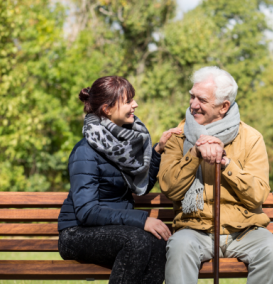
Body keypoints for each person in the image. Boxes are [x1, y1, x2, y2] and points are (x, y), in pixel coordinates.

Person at [158, 66, 273, 284]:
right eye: (191, 96)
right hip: (195, 229)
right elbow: (170, 189)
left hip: (244, 231)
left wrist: (226, 163)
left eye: (201, 99)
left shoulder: (251, 138)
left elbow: (257, 195)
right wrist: (194, 154)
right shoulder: (177, 136)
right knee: (180, 247)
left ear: (223, 106)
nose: (193, 104)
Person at [57, 76, 181, 284]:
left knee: (159, 243)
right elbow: (86, 212)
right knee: (136, 240)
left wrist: (158, 150)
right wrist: (142, 220)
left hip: (115, 229)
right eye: (128, 100)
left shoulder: (124, 145)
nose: (135, 104)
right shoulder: (85, 151)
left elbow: (140, 186)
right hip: (77, 233)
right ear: (107, 109)